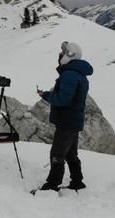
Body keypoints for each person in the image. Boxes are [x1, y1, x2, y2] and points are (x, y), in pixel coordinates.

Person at [36, 41, 93, 192]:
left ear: (70, 55)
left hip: (67, 121)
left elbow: (63, 99)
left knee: (57, 154)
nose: (60, 55)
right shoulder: (77, 74)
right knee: (70, 153)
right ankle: (77, 182)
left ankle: (52, 185)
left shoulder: (69, 75)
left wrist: (46, 95)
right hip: (72, 120)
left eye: (63, 52)